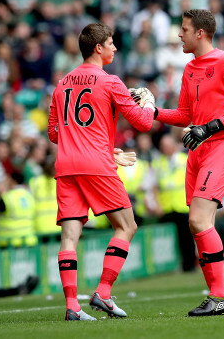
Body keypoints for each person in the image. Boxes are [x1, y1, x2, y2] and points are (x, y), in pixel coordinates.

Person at [135, 9, 224, 316]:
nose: (180, 34)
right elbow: (185, 116)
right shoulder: (190, 69)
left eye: (185, 29)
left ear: (200, 33)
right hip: (198, 150)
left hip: (222, 147)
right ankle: (217, 298)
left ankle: (219, 297)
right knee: (201, 225)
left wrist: (212, 127)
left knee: (198, 221)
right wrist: (153, 112)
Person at [47, 23, 155, 321]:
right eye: (111, 43)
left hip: (66, 167)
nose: (115, 48)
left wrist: (105, 147)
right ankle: (103, 293)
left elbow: (55, 134)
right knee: (127, 226)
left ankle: (72, 307)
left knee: (69, 237)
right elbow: (143, 124)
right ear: (99, 48)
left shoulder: (61, 83)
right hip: (96, 167)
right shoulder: (110, 82)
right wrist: (148, 104)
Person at [151, 134, 195, 272]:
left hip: (183, 205)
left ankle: (189, 266)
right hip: (166, 207)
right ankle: (168, 267)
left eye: (167, 145)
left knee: (186, 239)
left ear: (174, 146)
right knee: (166, 240)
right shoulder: (157, 163)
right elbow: (153, 186)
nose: (165, 148)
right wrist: (156, 205)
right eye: (163, 146)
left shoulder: (185, 159)